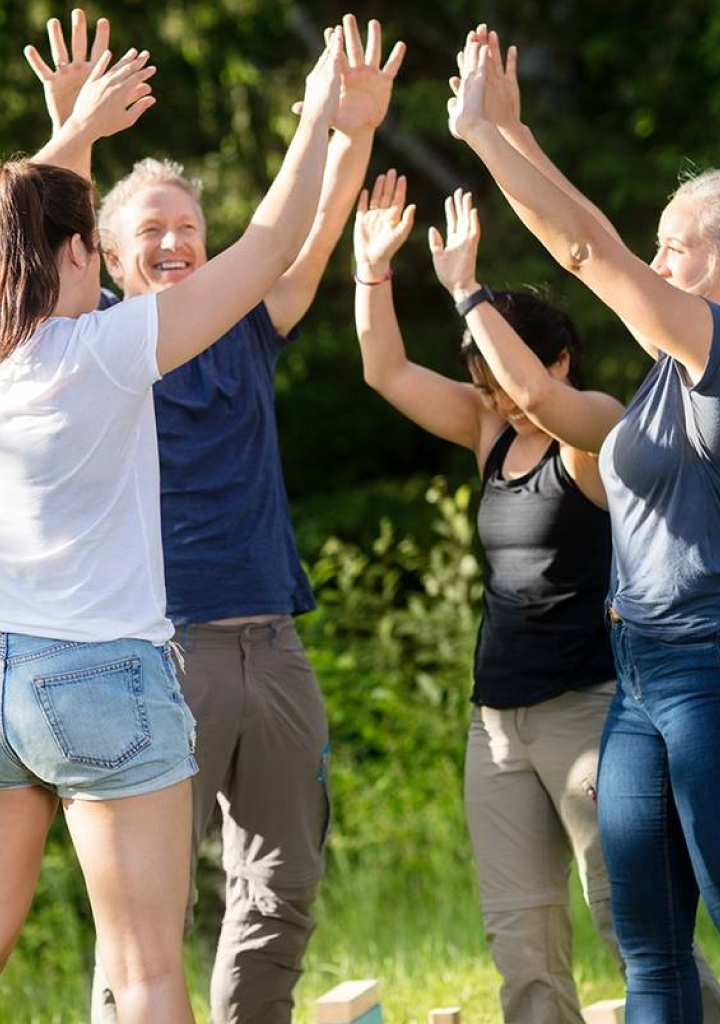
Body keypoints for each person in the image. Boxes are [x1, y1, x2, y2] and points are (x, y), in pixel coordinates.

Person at [26, 10, 406, 1023]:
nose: (175, 242)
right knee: (145, 921)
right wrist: (72, 132)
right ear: (107, 258)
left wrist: (354, 131)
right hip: (160, 652)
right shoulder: (103, 343)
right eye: (149, 231)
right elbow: (36, 251)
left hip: (273, 643)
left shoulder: (243, 326)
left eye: (188, 226)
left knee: (283, 885)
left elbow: (303, 237)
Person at [352, 169, 720, 1023]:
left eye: (497, 374)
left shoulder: (599, 427)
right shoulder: (490, 429)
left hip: (591, 703)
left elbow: (537, 395)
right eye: (480, 381)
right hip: (503, 716)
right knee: (529, 935)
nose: (493, 394)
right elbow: (386, 372)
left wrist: (467, 291)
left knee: (626, 918)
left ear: (555, 357)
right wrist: (372, 273)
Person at [449, 24, 720, 1024]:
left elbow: (584, 247)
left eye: (675, 247)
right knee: (650, 948)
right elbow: (590, 245)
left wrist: (487, 135)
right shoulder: (663, 378)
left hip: (707, 669)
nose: (653, 262)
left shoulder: (712, 352)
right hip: (639, 675)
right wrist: (511, 133)